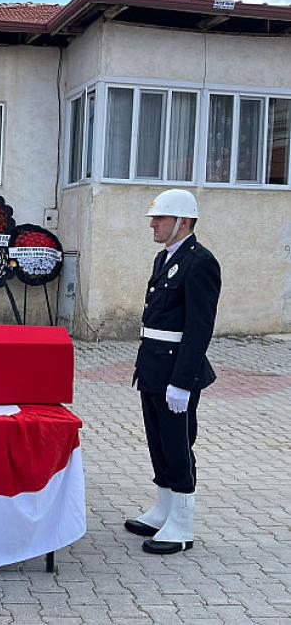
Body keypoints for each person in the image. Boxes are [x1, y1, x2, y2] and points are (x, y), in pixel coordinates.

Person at [125, 189, 221, 556]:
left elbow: (199, 329)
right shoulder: (164, 259)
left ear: (184, 222)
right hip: (153, 366)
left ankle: (181, 524)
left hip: (176, 374)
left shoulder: (200, 263)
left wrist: (182, 382)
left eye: (160, 219)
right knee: (158, 442)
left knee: (178, 446)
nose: (153, 224)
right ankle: (163, 508)